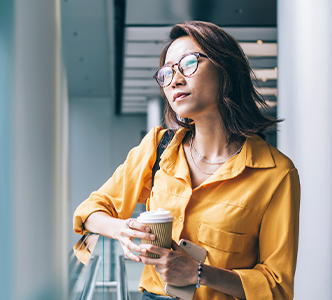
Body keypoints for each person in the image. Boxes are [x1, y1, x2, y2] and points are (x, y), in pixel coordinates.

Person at [72, 21, 300, 300]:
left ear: (225, 67)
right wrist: (122, 230)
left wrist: (198, 272)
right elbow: (91, 211)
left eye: (189, 63)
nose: (175, 80)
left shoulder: (275, 174)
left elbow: (276, 287)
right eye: (167, 73)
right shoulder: (158, 147)